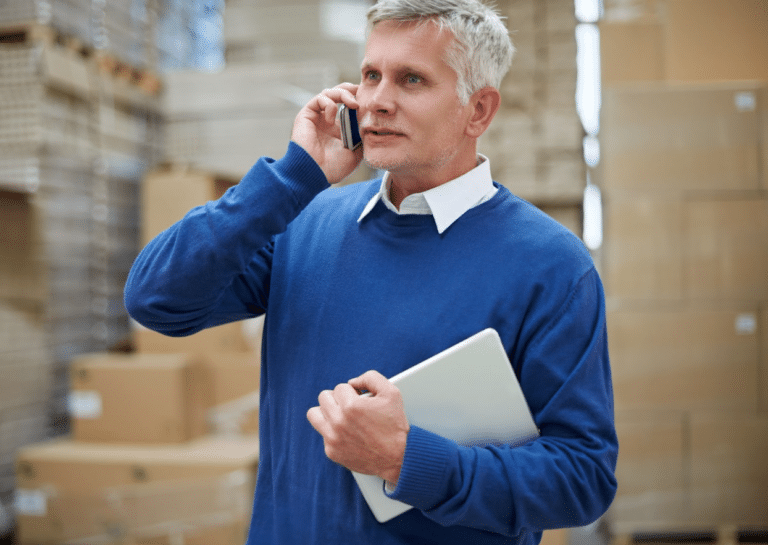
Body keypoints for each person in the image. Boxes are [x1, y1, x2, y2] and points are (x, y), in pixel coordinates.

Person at [124, 0, 618, 543]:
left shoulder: (551, 266)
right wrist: (292, 178)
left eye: (411, 79)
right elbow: (156, 299)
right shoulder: (305, 221)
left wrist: (409, 460)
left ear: (478, 110)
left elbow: (582, 479)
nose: (377, 101)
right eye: (370, 75)